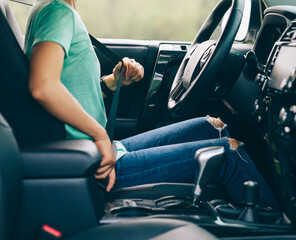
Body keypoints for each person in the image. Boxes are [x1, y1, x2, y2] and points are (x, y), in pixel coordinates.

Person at [24, 0, 278, 207]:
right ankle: (280, 228)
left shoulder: (56, 9)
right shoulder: (58, 11)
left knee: (211, 126)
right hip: (93, 160)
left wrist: (112, 82)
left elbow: (68, 84)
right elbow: (43, 86)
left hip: (99, 146)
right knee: (228, 153)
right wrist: (99, 135)